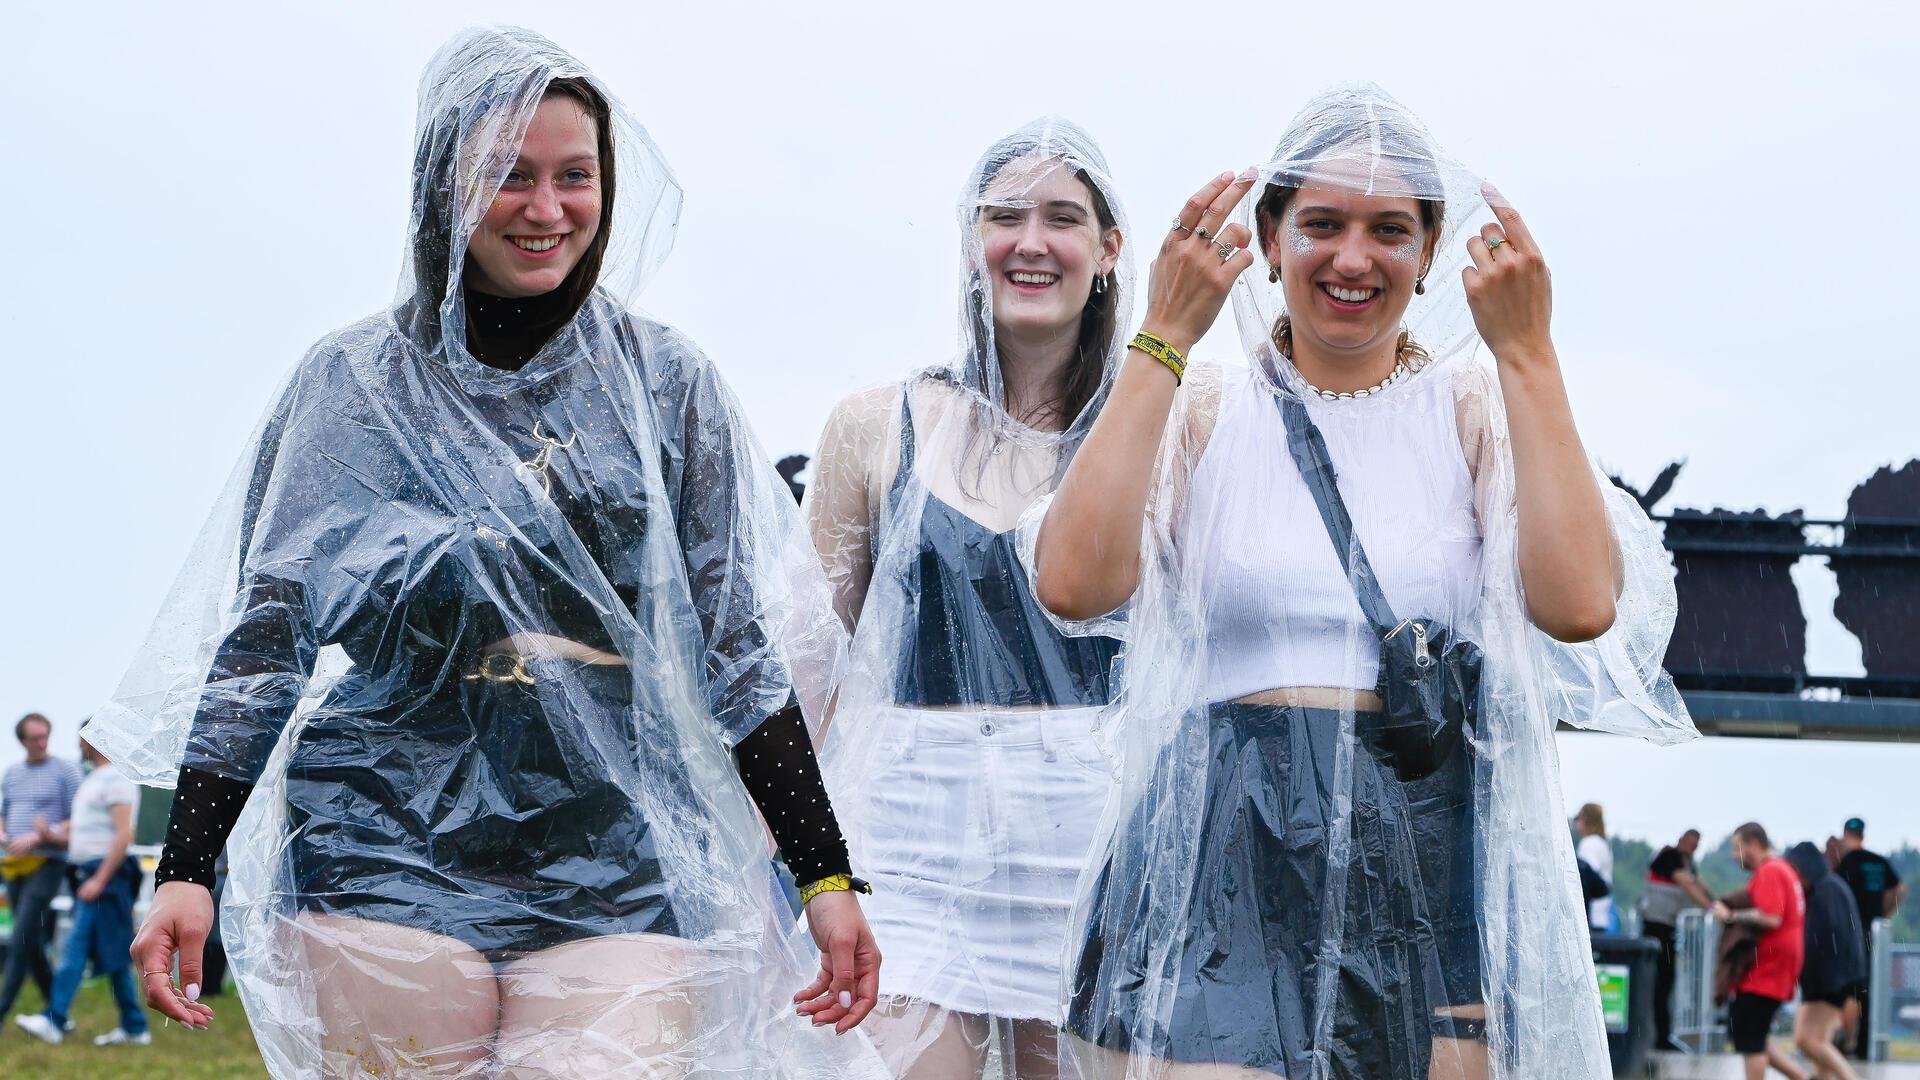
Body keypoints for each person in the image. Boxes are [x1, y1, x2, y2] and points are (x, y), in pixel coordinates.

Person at [82, 27, 883, 1080]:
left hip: (623, 849)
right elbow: (264, 643)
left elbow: (738, 652)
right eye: (508, 176)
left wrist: (824, 876)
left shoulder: (665, 388)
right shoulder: (354, 388)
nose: (546, 210)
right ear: (442, 185)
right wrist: (186, 863)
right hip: (381, 843)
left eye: (575, 177)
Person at [1032, 84, 1694, 1079]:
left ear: (1429, 253)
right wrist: (1164, 332)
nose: (1353, 258)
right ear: (1268, 237)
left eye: (1390, 229)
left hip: (1421, 841)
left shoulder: (1472, 407)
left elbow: (1580, 604)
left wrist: (1529, 352)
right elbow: (1073, 584)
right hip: (1227, 840)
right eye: (1322, 225)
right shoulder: (1203, 404)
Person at [808, 119, 1127, 1079]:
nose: (1031, 242)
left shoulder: (1162, 427)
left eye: (1063, 218)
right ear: (969, 239)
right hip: (906, 846)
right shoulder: (875, 426)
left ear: (1109, 251)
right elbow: (805, 668)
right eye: (1005, 216)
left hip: (1086, 847)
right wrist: (797, 863)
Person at [12, 739, 150, 1046]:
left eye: (82, 738)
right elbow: (82, 828)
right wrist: (49, 835)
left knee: (75, 947)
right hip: (91, 875)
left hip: (105, 877)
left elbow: (125, 834)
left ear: (96, 740)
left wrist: (100, 880)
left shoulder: (117, 779)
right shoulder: (95, 780)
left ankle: (55, 1019)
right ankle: (134, 1025)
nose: (77, 744)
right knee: (113, 951)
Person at [0, 712, 81, 1027]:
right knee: (29, 939)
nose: (41, 742)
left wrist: (40, 835)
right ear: (23, 741)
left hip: (49, 860)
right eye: (34, 738)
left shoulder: (65, 771)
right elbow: (3, 814)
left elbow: (79, 815)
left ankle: (3, 1009)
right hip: (15, 865)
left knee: (20, 934)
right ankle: (57, 1009)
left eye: (45, 736)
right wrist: (5, 836)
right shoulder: (11, 773)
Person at [1713, 823, 1806, 1080]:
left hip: (1767, 970)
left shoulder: (1770, 871)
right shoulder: (1782, 870)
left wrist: (1730, 915)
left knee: (1750, 1039)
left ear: (1753, 844)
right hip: (1777, 967)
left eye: (1737, 847)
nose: (1734, 855)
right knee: (1753, 1034)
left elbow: (1770, 917)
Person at [1785, 841, 1865, 1080]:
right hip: (1835, 976)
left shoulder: (1825, 891)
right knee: (1819, 1039)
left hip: (1829, 979)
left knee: (1807, 1039)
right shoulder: (1830, 886)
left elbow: (1822, 939)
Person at [1835, 816, 1905, 1060]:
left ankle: (1844, 1044)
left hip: (1848, 934)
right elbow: (1900, 889)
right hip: (1872, 934)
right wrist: (1882, 914)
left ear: (1845, 834)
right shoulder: (1879, 862)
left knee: (1848, 990)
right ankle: (1865, 1046)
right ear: (1863, 835)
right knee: (1866, 990)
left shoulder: (1844, 863)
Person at [1639, 828, 1714, 1050]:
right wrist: (1710, 907)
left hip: (1668, 927)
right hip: (1656, 925)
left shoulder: (1688, 862)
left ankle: (1662, 1036)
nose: (1691, 849)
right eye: (1689, 843)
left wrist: (1718, 901)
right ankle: (1657, 1038)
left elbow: (1699, 883)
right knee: (1659, 982)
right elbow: (1687, 884)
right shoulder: (1669, 856)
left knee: (1666, 981)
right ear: (1681, 840)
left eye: (1695, 846)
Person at [1576, 803, 1613, 930]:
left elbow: (1586, 878)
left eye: (1578, 818)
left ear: (1586, 819)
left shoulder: (1590, 844)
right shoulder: (1601, 843)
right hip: (1600, 915)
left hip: (1591, 916)